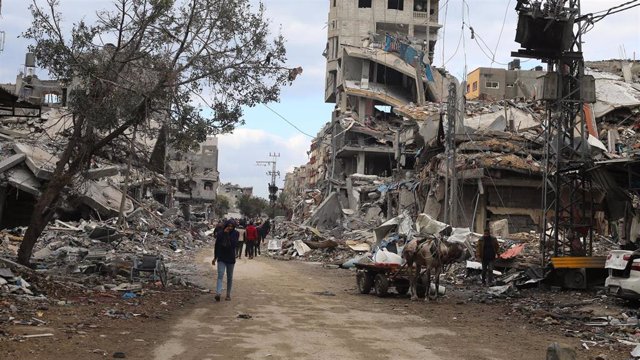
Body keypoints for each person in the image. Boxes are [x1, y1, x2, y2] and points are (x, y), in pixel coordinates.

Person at [212, 220, 238, 301]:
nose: (230, 228)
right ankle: (218, 293)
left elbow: (233, 245)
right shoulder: (220, 233)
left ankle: (228, 294)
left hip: (230, 258)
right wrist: (215, 257)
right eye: (228, 226)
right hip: (221, 257)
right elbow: (217, 246)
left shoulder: (235, 233)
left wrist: (227, 235)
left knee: (229, 277)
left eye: (231, 226)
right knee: (220, 275)